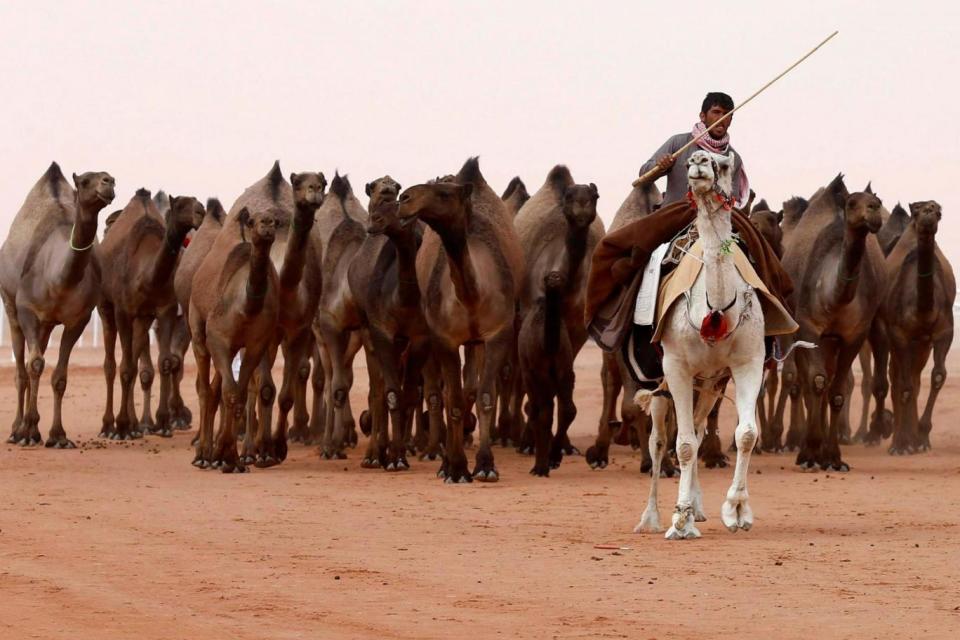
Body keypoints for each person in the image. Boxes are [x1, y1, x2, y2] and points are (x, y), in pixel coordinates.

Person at [638, 92, 749, 207]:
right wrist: (660, 167)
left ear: (730, 120)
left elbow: (732, 202)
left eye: (727, 114)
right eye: (716, 112)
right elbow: (643, 174)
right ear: (703, 116)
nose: (722, 118)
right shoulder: (678, 142)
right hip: (673, 220)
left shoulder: (733, 159)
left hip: (713, 222)